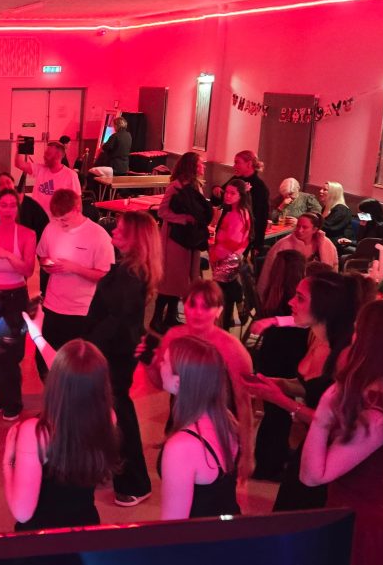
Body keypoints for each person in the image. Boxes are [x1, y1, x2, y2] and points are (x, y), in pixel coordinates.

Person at [300, 300, 383, 565]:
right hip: (372, 511)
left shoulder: (377, 418)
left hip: (366, 525)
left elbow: (312, 476)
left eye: (359, 331)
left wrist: (324, 412)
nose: (353, 337)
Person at [244, 271, 367, 511]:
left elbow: (336, 423)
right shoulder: (316, 338)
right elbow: (314, 389)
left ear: (324, 307)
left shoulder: (345, 354)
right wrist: (278, 383)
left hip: (333, 456)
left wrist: (281, 400)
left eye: (300, 298)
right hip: (312, 443)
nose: (290, 301)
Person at [142, 280, 255, 485]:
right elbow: (162, 384)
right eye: (192, 304)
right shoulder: (174, 336)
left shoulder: (232, 349)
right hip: (181, 422)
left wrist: (248, 454)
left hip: (219, 430)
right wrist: (149, 363)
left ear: (219, 311)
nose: (197, 312)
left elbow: (244, 405)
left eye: (206, 306)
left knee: (215, 487)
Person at [85, 211, 162, 507]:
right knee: (111, 413)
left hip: (113, 354)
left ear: (135, 238)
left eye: (120, 229)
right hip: (115, 350)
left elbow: (114, 322)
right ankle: (112, 466)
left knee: (121, 415)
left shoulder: (130, 275)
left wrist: (87, 348)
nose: (114, 232)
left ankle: (135, 481)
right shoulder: (131, 269)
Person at [3, 336, 118, 530]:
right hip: (85, 527)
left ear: (53, 382)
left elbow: (22, 513)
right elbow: (74, 375)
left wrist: (7, 461)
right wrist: (38, 336)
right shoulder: (108, 417)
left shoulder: (36, 432)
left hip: (42, 538)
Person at [158, 335, 242, 519]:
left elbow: (173, 527)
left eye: (164, 362)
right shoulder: (225, 420)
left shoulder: (181, 446)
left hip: (201, 542)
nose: (160, 365)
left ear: (179, 382)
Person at [34, 189, 115, 380]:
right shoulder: (51, 227)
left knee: (75, 365)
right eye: (58, 219)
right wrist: (47, 266)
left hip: (81, 310)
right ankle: (53, 397)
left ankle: (69, 403)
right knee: (44, 357)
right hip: (53, 305)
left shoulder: (98, 236)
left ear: (78, 208)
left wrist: (74, 268)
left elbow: (105, 275)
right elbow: (42, 255)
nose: (61, 223)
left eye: (65, 218)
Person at [0, 188, 37, 420]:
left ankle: (13, 401)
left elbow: (28, 270)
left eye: (13, 205)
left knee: (9, 353)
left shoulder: (27, 234)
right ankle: (1, 396)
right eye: (4, 205)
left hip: (14, 297)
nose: (9, 209)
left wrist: (8, 255)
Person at [250, 249, 309, 481]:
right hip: (284, 358)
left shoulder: (274, 292)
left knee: (275, 414)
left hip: (271, 355)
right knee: (279, 414)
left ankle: (273, 457)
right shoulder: (293, 301)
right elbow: (303, 323)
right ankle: (269, 466)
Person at [152, 151, 212, 332]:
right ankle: (156, 319)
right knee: (170, 280)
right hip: (174, 240)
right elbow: (162, 212)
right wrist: (184, 218)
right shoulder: (175, 187)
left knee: (181, 282)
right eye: (201, 163)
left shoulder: (196, 186)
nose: (204, 167)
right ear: (192, 166)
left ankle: (171, 316)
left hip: (189, 240)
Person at [258, 213, 339, 297]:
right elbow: (267, 273)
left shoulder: (326, 244)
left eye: (305, 227)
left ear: (315, 230)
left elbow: (334, 270)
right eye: (298, 226)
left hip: (319, 293)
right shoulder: (283, 245)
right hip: (289, 294)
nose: (300, 230)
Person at [211, 178, 252, 330]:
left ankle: (222, 328)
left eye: (232, 193)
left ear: (240, 195)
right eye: (226, 192)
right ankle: (236, 308)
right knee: (227, 292)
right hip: (232, 258)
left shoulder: (236, 215)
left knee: (222, 297)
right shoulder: (241, 211)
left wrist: (215, 252)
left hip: (226, 259)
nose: (227, 196)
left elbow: (233, 241)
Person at [15, 141, 81, 220]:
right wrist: (19, 148)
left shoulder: (70, 175)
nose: (44, 156)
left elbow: (77, 201)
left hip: (56, 220)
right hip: (37, 216)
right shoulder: (40, 169)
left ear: (58, 155)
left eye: (48, 154)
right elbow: (19, 164)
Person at [230, 150, 269, 254]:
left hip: (243, 235)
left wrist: (258, 244)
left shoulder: (260, 187)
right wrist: (216, 189)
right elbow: (218, 199)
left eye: (237, 162)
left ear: (249, 164)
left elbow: (262, 216)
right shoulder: (236, 180)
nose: (234, 166)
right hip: (229, 229)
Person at [318, 181, 353, 250]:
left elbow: (329, 228)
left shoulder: (341, 209)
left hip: (338, 242)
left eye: (325, 190)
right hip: (327, 238)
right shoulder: (326, 207)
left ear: (333, 193)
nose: (320, 191)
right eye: (321, 189)